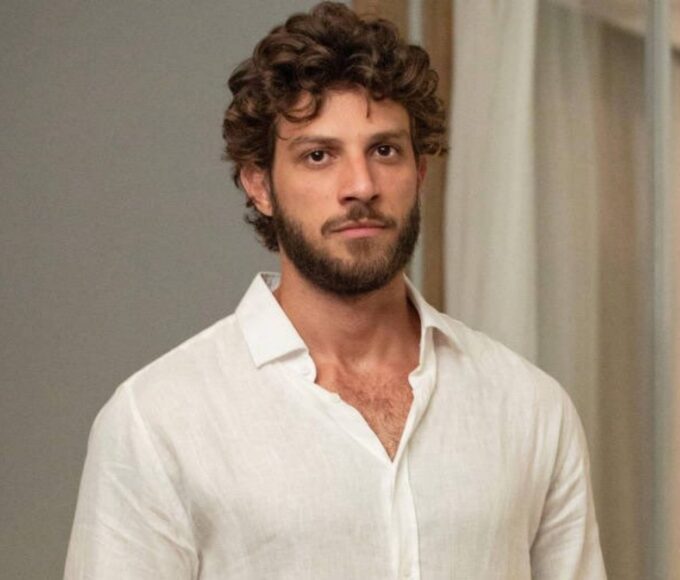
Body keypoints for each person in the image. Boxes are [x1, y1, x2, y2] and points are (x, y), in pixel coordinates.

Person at [64, 3, 606, 579]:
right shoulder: (159, 421)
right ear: (260, 185)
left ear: (420, 173)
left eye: (385, 150)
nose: (361, 186)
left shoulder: (529, 408)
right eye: (318, 155)